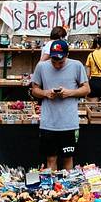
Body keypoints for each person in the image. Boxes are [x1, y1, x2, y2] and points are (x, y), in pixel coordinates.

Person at [31, 40, 90, 170]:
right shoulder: (41, 66)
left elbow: (86, 89)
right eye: (54, 61)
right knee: (50, 159)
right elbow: (34, 90)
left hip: (69, 123)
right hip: (48, 123)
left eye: (61, 62)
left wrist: (70, 93)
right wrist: (46, 93)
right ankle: (52, 189)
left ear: (67, 55)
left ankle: (68, 188)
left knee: (68, 159)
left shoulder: (77, 66)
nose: (57, 65)